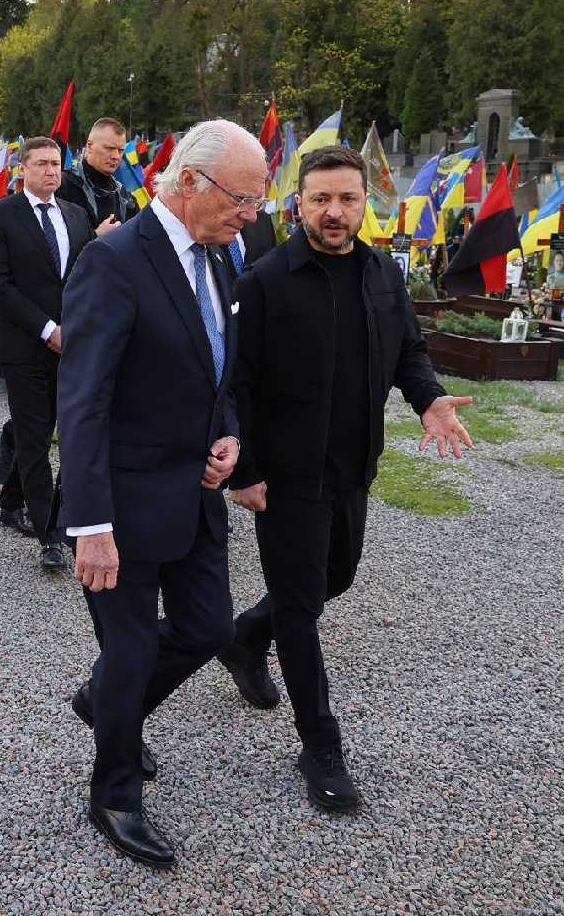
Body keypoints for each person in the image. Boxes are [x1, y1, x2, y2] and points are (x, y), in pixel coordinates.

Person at [224, 145, 473, 813]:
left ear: (366, 204)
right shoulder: (264, 281)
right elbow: (237, 382)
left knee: (334, 579)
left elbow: (408, 351)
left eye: (347, 199)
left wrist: (429, 399)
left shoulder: (382, 273)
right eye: (321, 199)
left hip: (354, 466)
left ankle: (246, 636)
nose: (334, 212)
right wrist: (244, 470)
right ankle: (320, 746)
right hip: (288, 475)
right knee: (300, 608)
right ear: (298, 204)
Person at [57, 119, 266, 868]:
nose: (251, 215)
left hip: (194, 492)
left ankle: (106, 705)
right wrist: (90, 524)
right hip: (121, 500)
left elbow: (219, 370)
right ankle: (114, 793)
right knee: (131, 646)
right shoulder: (114, 260)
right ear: (191, 183)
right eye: (242, 198)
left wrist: (229, 436)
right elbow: (82, 399)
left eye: (257, 200)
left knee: (207, 629)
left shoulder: (222, 257)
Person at [0, 137, 94, 569]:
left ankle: (13, 501)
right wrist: (48, 330)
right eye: (42, 163)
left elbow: (87, 275)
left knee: (63, 432)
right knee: (34, 437)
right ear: (22, 169)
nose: (51, 170)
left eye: (56, 164)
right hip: (24, 346)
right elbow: (0, 285)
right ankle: (50, 536)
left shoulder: (75, 215)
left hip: (72, 346)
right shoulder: (2, 215)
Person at [56, 117, 137, 235]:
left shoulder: (124, 195)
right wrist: (96, 235)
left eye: (120, 150)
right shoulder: (63, 186)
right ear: (90, 146)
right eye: (109, 148)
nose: (116, 156)